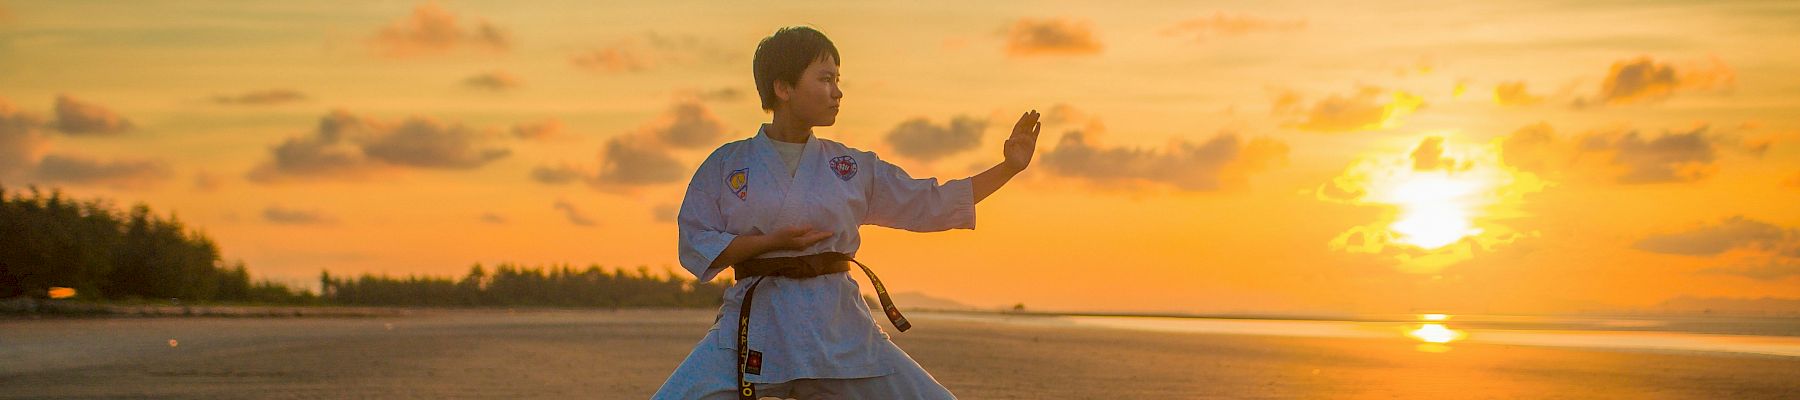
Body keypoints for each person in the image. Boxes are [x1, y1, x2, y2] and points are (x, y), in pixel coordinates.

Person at [652, 25, 1041, 400]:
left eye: (838, 80)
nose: (837, 92)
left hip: (841, 331)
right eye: (824, 79)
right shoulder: (727, 164)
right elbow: (695, 241)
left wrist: (1008, 168)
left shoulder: (851, 167)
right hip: (755, 328)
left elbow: (929, 202)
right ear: (783, 88)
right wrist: (769, 243)